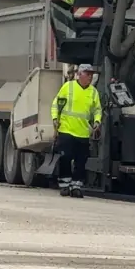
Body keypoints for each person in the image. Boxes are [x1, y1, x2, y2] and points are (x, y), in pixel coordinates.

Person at [51, 64, 101, 198]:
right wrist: (55, 119)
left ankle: (76, 186)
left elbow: (97, 109)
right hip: (66, 130)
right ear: (79, 74)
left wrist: (97, 121)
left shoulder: (93, 92)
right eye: (87, 74)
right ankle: (64, 185)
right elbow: (56, 104)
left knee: (81, 161)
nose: (90, 77)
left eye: (91, 74)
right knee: (65, 157)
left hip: (83, 133)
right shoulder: (68, 87)